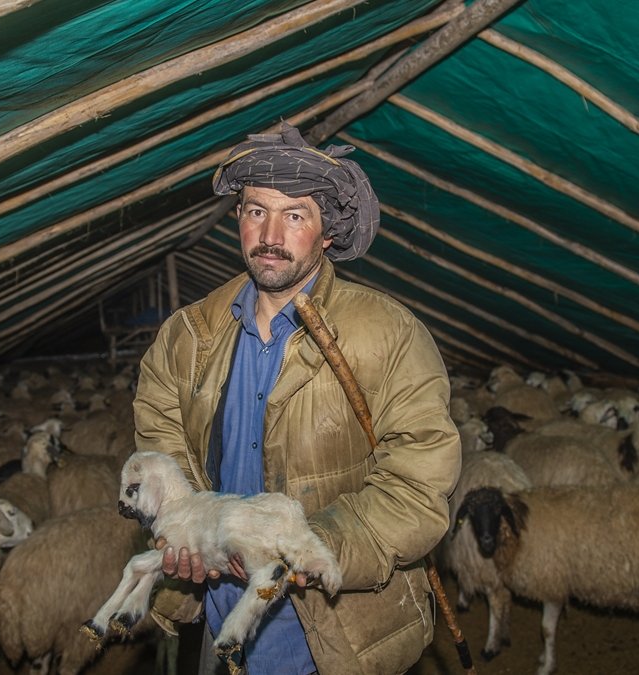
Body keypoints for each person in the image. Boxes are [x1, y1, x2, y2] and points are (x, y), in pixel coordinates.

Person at [132, 122, 461, 675]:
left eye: (295, 216)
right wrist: (179, 530)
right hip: (221, 614)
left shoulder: (387, 334)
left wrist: (312, 541)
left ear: (327, 232)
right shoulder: (185, 340)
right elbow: (161, 456)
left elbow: (418, 486)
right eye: (257, 211)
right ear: (237, 219)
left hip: (336, 633)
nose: (271, 234)